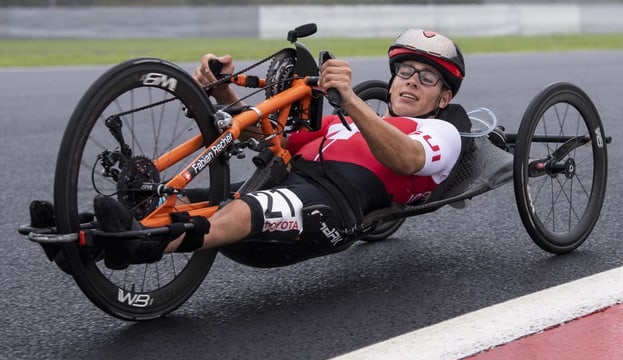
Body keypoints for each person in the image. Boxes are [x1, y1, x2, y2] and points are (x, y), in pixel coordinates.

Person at [92, 29, 468, 270]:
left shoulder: (440, 131)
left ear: (444, 96)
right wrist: (222, 90)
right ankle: (82, 239)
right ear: (391, 82)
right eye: (405, 72)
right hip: (282, 182)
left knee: (247, 207)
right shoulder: (344, 123)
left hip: (331, 210)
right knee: (181, 199)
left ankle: (141, 246)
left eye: (427, 77)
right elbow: (266, 135)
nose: (412, 82)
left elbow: (407, 159)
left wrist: (351, 100)